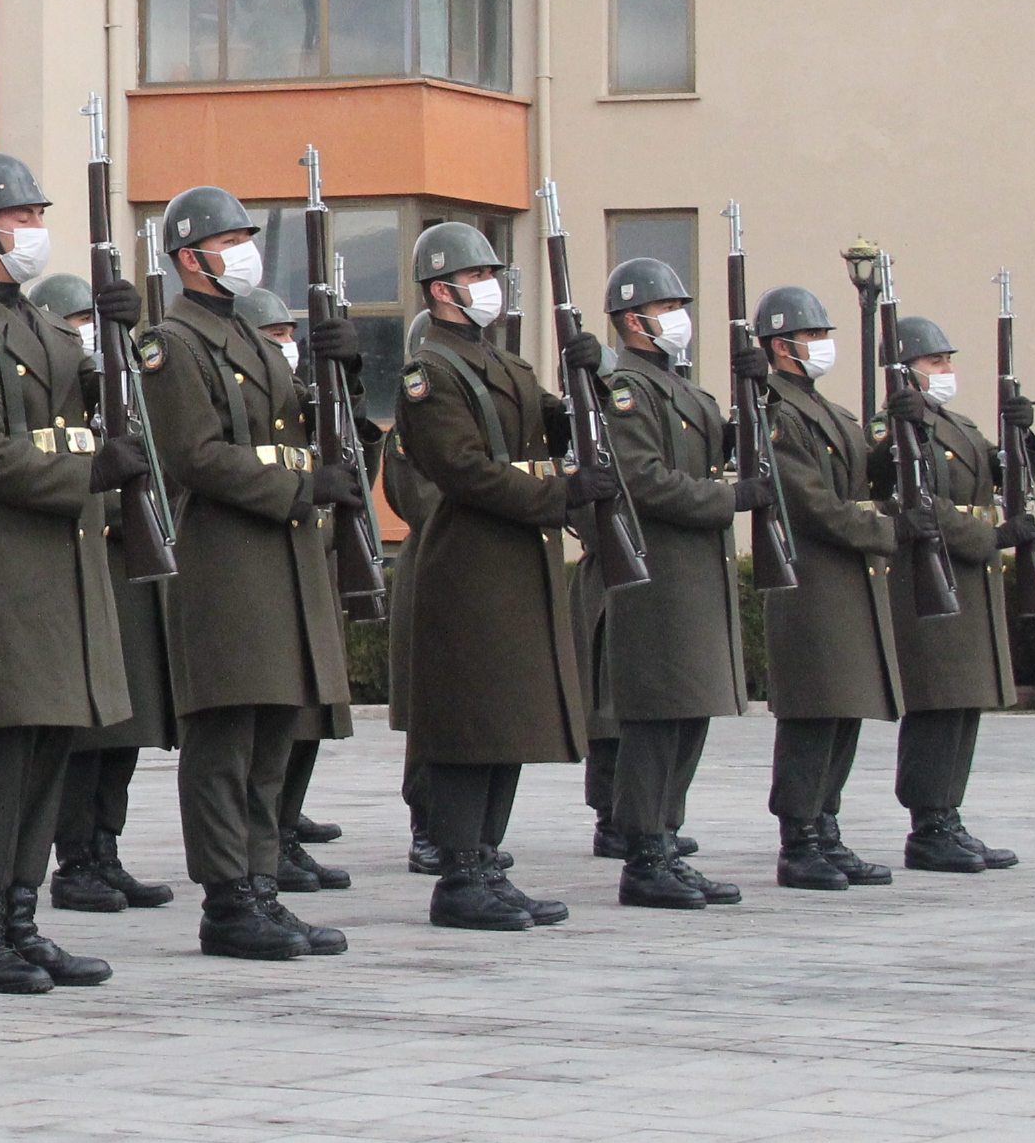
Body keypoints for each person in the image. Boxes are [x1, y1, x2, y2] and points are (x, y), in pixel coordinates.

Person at [0, 151, 138, 993]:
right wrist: (86, 474)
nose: (38, 233)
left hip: (59, 566)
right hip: (2, 563)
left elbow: (104, 408)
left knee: (48, 742)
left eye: (42, 218)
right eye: (25, 219)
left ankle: (19, 913)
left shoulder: (47, 328)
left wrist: (124, 332)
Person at [134, 190, 356, 959]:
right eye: (227, 240)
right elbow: (194, 455)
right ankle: (227, 899)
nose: (243, 251)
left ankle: (261, 886)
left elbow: (296, 421)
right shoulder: (172, 343)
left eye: (245, 238)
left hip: (281, 559)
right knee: (226, 741)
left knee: (271, 738)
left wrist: (338, 372)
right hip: (224, 560)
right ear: (190, 256)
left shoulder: (253, 339)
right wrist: (299, 489)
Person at [388, 221, 588, 931]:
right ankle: (459, 874)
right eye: (476, 277)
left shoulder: (502, 362)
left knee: (508, 722)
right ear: (441, 289)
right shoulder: (431, 371)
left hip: (517, 561)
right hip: (471, 564)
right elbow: (464, 469)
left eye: (491, 276)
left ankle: (487, 860)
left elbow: (545, 423)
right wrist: (559, 497)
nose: (489, 288)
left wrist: (591, 384)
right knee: (472, 726)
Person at [580, 258, 748, 910]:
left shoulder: (683, 390)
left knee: (690, 713)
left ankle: (667, 839)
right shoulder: (626, 388)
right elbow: (644, 480)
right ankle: (644, 851)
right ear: (632, 319)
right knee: (655, 719)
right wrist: (726, 499)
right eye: (667, 306)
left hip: (695, 574)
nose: (680, 318)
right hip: (658, 575)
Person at [20, 270, 177, 916]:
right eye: (78, 322)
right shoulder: (51, 387)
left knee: (127, 724)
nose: (85, 333)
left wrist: (128, 340)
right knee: (86, 734)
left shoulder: (110, 382)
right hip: (85, 554)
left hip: (127, 559)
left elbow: (146, 428)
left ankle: (104, 847)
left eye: (93, 322)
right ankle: (75, 856)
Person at [751, 284, 905, 891]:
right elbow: (813, 504)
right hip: (811, 583)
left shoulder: (830, 412)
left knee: (845, 711)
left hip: (848, 583)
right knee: (814, 714)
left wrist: (901, 436)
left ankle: (826, 826)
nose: (821, 346)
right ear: (779, 345)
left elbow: (866, 470)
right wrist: (887, 530)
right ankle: (800, 838)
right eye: (810, 336)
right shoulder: (778, 411)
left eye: (824, 335)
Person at [878, 314, 1023, 872]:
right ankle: (928, 825)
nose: (946, 371)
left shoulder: (955, 424)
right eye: (936, 363)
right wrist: (991, 537)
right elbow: (916, 503)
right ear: (908, 371)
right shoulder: (895, 427)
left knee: (964, 703)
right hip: (931, 578)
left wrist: (1020, 431)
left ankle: (948, 814)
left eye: (947, 362)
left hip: (968, 581)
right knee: (938, 703)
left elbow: (1004, 471)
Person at [233, 288, 358, 896]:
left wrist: (348, 384)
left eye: (291, 333)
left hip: (309, 556)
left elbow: (349, 461)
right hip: (260, 563)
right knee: (249, 738)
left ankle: (279, 837)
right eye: (274, 334)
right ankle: (251, 864)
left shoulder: (294, 400)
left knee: (303, 718)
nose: (287, 344)